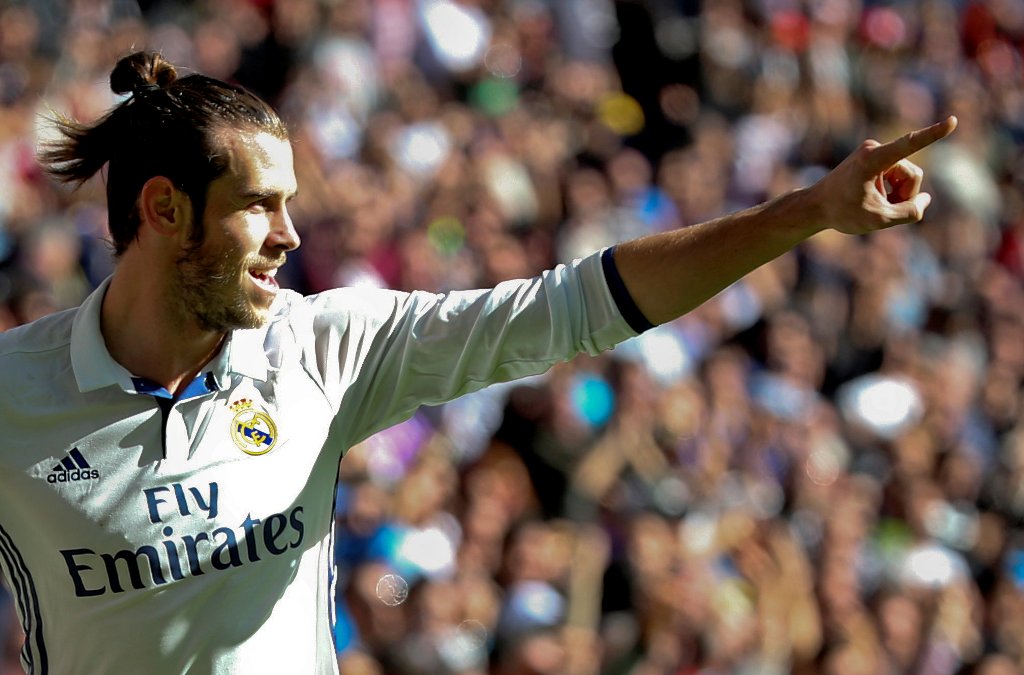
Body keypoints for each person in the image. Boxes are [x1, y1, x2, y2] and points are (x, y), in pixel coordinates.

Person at [0, 50, 956, 675]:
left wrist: (807, 212)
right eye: (259, 204)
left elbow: (574, 306)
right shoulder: (15, 396)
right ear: (165, 210)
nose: (292, 235)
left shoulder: (324, 349)